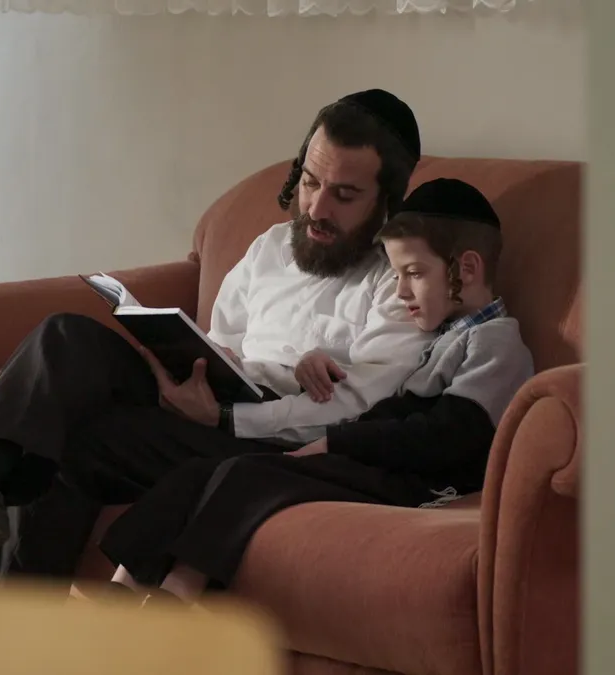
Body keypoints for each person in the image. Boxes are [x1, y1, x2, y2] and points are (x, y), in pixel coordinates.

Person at [0, 89, 432, 563]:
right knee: (65, 337)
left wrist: (226, 419)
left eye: (344, 195)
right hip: (213, 406)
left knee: (71, 440)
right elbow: (223, 344)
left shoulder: (401, 281)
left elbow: (357, 413)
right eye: (311, 182)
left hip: (274, 446)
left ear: (387, 202)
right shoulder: (271, 248)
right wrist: (197, 377)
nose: (317, 208)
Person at [98, 178, 535, 605]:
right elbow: (388, 412)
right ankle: (118, 591)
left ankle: (178, 597)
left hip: (425, 485)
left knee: (248, 475)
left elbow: (450, 435)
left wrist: (337, 442)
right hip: (384, 462)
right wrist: (331, 419)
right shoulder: (445, 337)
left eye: (414, 274)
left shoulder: (496, 342)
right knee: (206, 469)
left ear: (468, 268)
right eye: (398, 275)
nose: (401, 291)